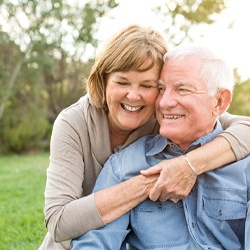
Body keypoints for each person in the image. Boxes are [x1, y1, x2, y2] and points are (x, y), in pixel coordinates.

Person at [39, 24, 250, 250]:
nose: (134, 95)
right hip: (67, 239)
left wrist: (188, 165)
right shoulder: (77, 125)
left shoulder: (166, 115)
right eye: (121, 82)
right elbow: (60, 222)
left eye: (149, 86)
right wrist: (157, 178)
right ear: (103, 81)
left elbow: (238, 126)